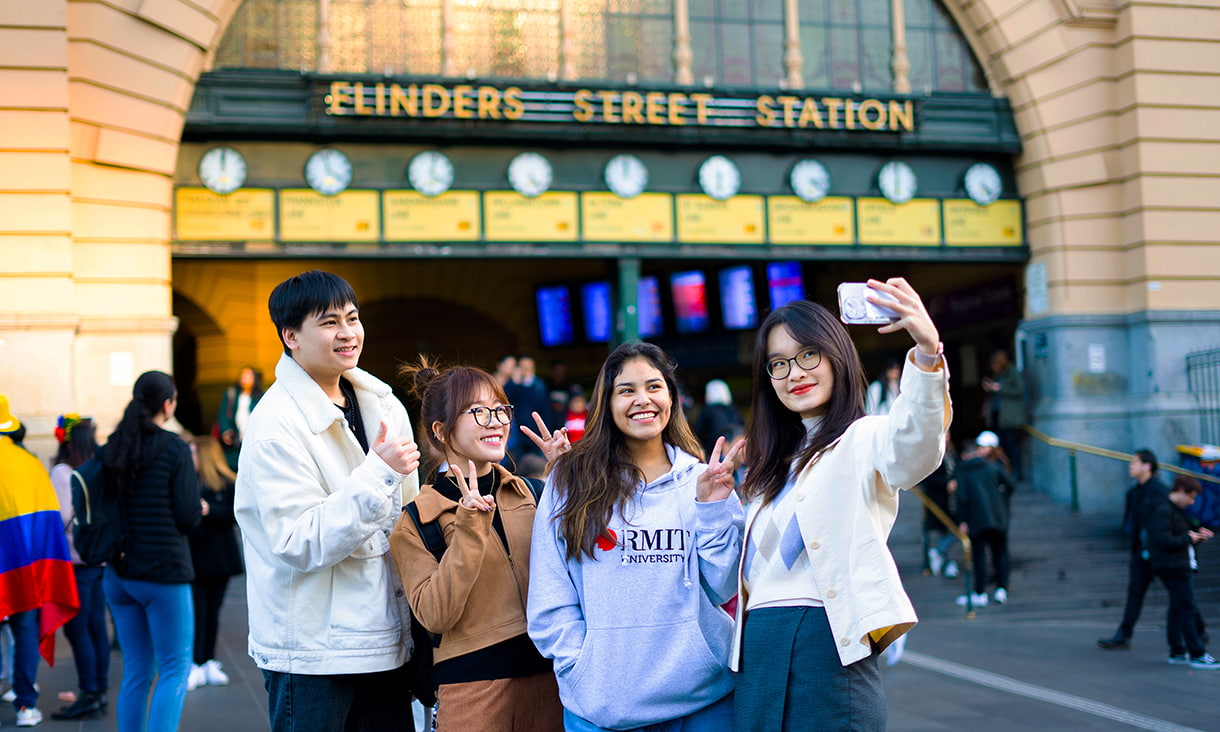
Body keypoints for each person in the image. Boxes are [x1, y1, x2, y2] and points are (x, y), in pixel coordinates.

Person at [732, 279, 950, 731]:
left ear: (836, 356)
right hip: (757, 648)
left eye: (808, 355)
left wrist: (928, 353)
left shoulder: (864, 438)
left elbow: (916, 448)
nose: (795, 373)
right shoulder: (765, 471)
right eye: (778, 364)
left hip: (825, 643)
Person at [234, 270, 421, 730]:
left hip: (386, 639)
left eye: (353, 318)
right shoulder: (275, 423)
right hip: (313, 653)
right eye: (330, 322)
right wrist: (378, 473)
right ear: (291, 336)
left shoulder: (383, 403)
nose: (347, 333)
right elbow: (300, 540)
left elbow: (408, 521)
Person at [527, 341, 745, 732]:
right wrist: (582, 669)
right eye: (626, 390)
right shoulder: (570, 482)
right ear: (607, 404)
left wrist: (712, 511)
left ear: (672, 398)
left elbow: (724, 588)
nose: (642, 400)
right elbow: (550, 595)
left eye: (654, 387)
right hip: (602, 709)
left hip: (706, 702)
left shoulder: (702, 480)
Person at [391, 358, 567, 731]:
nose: (497, 422)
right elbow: (436, 614)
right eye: (479, 412)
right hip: (472, 693)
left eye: (500, 409)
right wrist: (469, 529)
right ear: (440, 430)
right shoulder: (415, 522)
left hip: (550, 683)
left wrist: (566, 484)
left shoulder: (534, 495)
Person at [101, 371, 201, 732]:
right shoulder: (174, 448)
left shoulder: (111, 446)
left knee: (137, 672)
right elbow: (188, 514)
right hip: (164, 574)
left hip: (118, 574)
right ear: (168, 404)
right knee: (175, 668)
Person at [0, 395, 81, 728]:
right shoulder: (29, 465)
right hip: (22, 568)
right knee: (24, 629)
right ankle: (24, 706)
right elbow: (48, 524)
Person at [49, 415, 111, 721]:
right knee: (97, 627)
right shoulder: (98, 468)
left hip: (75, 560)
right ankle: (99, 690)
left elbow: (62, 517)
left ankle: (88, 692)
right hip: (98, 558)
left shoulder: (62, 472)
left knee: (78, 628)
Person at [186, 436, 244, 691]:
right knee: (198, 612)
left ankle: (207, 660)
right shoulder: (187, 482)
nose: (189, 459)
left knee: (212, 612)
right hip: (196, 558)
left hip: (218, 558)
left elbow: (235, 515)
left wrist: (209, 509)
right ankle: (195, 662)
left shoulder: (227, 483)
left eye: (193, 454)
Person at [1098, 449, 1168, 650]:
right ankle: (1123, 634)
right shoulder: (1134, 492)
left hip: (1160, 551)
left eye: (1135, 462)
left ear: (1147, 466)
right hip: (1140, 552)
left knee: (1178, 592)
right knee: (1135, 592)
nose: (1130, 466)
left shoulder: (1159, 491)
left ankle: (1199, 632)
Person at [1148, 475, 1219, 668]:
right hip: (1174, 566)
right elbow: (1163, 540)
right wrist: (1190, 539)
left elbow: (1177, 535)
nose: (1192, 501)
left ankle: (1177, 651)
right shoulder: (1164, 510)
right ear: (1180, 491)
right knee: (1186, 608)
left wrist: (1197, 534)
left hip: (1176, 565)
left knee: (1177, 608)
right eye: (1191, 496)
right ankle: (1197, 653)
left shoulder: (1175, 510)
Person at [954, 434, 1017, 607]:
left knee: (979, 555)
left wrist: (962, 520)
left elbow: (962, 497)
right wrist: (1001, 502)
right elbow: (1010, 486)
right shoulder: (994, 467)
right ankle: (1001, 589)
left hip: (976, 518)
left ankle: (980, 592)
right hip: (999, 516)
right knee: (1001, 552)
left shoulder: (964, 470)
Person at [981, 349, 1025, 480]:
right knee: (1001, 445)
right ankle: (1004, 471)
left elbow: (1019, 390)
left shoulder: (1012, 372)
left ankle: (1016, 472)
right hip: (998, 415)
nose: (994, 368)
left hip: (1009, 417)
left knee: (1011, 444)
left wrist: (999, 388)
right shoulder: (999, 375)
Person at [922, 433, 960, 579]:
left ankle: (940, 554)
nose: (947, 437)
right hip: (938, 499)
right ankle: (944, 558)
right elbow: (928, 476)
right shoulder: (932, 453)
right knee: (944, 529)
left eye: (948, 434)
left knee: (953, 529)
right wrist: (947, 483)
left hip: (952, 500)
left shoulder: (950, 452)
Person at [215, 366, 264, 471]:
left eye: (247, 376)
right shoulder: (231, 394)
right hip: (235, 441)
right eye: (242, 375)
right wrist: (226, 431)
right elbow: (223, 414)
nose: (244, 378)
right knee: (234, 467)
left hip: (253, 439)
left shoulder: (261, 396)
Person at [505, 355, 550, 461]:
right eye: (523, 367)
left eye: (528, 367)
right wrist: (513, 382)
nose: (525, 370)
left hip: (536, 429)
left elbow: (545, 410)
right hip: (518, 431)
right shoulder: (514, 384)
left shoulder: (539, 385)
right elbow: (505, 398)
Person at [695, 379, 745, 458]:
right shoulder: (733, 409)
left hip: (712, 450)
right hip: (733, 448)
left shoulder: (707, 409)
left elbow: (699, 432)